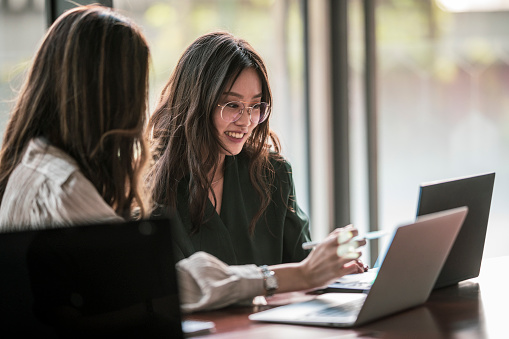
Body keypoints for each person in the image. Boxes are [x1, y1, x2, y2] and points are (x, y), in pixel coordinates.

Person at [0, 5, 364, 317]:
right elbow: (161, 285)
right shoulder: (75, 187)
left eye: (256, 106)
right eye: (232, 104)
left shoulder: (42, 171)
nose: (136, 109)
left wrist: (325, 270)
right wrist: (291, 276)